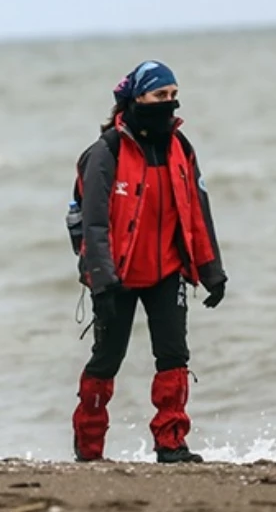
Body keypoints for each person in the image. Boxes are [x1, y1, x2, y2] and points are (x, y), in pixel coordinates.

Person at [71, 60, 226, 464]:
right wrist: (101, 280)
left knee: (174, 355)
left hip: (168, 271)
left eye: (173, 95)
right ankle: (89, 448)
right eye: (161, 95)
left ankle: (171, 443)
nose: (169, 103)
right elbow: (93, 223)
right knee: (107, 361)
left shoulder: (181, 147)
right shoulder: (105, 152)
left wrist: (212, 272)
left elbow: (197, 212)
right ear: (137, 98)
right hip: (117, 277)